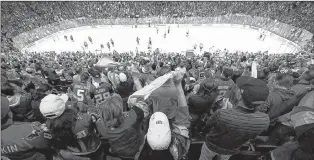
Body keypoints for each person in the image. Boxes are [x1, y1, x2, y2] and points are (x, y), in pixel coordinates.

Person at [199, 76, 270, 160]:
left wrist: (224, 111)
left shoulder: (222, 113)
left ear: (239, 95)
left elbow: (208, 124)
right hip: (231, 149)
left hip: (211, 146)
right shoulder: (265, 119)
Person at [40, 94, 103, 160]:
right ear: (65, 108)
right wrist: (89, 101)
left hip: (74, 153)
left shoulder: (46, 128)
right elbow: (94, 115)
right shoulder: (84, 119)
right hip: (93, 148)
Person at [95, 95, 147, 160]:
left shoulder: (101, 126)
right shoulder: (132, 117)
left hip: (119, 152)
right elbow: (142, 104)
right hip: (138, 149)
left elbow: (98, 121)